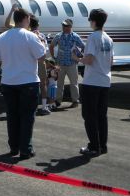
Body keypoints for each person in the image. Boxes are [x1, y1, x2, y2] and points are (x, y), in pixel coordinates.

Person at [0, 8, 46, 159]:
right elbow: (42, 57)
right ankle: (26, 149)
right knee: (27, 117)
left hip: (8, 82)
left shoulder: (1, 37)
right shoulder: (30, 36)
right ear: (26, 19)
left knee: (12, 116)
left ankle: (13, 148)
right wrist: (41, 42)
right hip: (28, 82)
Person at [74, 9, 114, 156]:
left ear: (94, 21)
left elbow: (89, 60)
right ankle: (102, 146)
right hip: (105, 81)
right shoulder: (108, 39)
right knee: (102, 116)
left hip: (92, 82)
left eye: (90, 20)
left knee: (89, 116)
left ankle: (93, 146)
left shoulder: (93, 37)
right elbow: (111, 61)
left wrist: (77, 58)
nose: (90, 22)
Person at [49, 18, 85, 108]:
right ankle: (58, 100)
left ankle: (75, 100)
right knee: (60, 83)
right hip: (60, 64)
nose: (64, 27)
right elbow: (52, 46)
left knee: (74, 83)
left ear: (70, 26)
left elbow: (83, 46)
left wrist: (78, 56)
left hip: (72, 64)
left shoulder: (75, 36)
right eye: (63, 25)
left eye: (66, 26)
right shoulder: (58, 36)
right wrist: (54, 58)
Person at [30, 15, 51, 115]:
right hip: (41, 62)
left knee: (30, 85)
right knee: (43, 84)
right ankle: (43, 106)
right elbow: (45, 50)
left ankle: (31, 108)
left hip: (29, 63)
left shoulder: (27, 35)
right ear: (38, 24)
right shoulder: (41, 36)